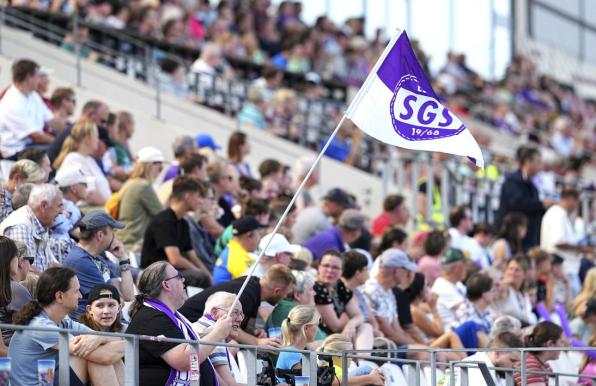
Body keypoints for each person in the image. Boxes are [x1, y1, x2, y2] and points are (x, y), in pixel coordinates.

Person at [9, 267, 125, 386]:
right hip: (42, 382)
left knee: (104, 354)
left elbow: (105, 340)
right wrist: (127, 345)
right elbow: (104, 357)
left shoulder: (63, 322)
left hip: (48, 379)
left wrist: (102, 338)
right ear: (59, 296)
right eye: (76, 291)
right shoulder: (40, 326)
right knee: (91, 356)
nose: (80, 296)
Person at [126, 261, 233, 386]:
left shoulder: (166, 315)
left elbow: (194, 352)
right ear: (166, 285)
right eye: (178, 277)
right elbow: (184, 361)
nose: (183, 280)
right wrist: (217, 334)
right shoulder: (152, 318)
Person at [180, 264, 295, 347]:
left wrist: (254, 332)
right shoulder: (246, 293)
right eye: (286, 294)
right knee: (233, 345)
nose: (285, 298)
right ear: (277, 291)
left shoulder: (255, 287)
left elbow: (246, 326)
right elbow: (228, 325)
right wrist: (257, 342)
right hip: (188, 328)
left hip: (199, 330)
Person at [141, 176, 212, 288]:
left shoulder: (183, 222)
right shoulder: (164, 221)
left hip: (172, 272)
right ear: (187, 197)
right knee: (200, 278)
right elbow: (175, 260)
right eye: (198, 196)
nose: (201, 201)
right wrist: (200, 273)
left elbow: (193, 257)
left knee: (205, 277)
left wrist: (209, 276)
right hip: (155, 275)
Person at [63, 210, 134, 317]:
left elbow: (128, 296)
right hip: (95, 328)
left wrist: (123, 258)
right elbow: (116, 301)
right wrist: (119, 298)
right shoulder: (81, 261)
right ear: (100, 235)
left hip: (110, 324)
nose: (114, 236)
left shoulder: (96, 258)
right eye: (112, 231)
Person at [314, 250, 373, 350]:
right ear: (318, 267)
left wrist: (351, 324)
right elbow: (334, 326)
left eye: (335, 267)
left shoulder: (338, 285)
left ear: (342, 271)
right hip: (320, 340)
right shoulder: (316, 288)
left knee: (365, 327)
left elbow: (359, 315)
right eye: (326, 266)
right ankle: (358, 363)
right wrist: (350, 322)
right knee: (352, 332)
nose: (330, 270)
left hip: (337, 337)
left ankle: (362, 362)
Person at [0, 59, 56, 160]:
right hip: (16, 152)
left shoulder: (33, 95)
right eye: (38, 76)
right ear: (29, 78)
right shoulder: (12, 102)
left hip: (31, 146)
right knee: (58, 150)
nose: (39, 80)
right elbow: (36, 137)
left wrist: (70, 132)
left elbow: (53, 121)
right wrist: (60, 142)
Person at [0, 183, 63, 271]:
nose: (62, 211)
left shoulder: (40, 223)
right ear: (43, 206)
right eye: (59, 206)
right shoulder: (20, 227)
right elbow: (24, 276)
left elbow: (51, 264)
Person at [496, 146, 548, 250]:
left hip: (529, 239)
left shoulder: (533, 187)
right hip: (512, 238)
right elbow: (516, 203)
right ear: (527, 162)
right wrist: (541, 204)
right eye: (538, 162)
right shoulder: (512, 181)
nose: (540, 166)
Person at [114, 146, 165, 253]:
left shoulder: (131, 182)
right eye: (160, 168)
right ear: (151, 166)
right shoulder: (143, 186)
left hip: (123, 239)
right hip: (133, 244)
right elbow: (163, 216)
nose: (160, 172)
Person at [192, 291, 247, 386]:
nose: (240, 319)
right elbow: (229, 384)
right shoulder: (213, 333)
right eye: (235, 312)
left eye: (241, 314)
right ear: (214, 312)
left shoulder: (196, 328)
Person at [53, 119, 112, 205]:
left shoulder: (89, 159)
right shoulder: (74, 159)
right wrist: (110, 204)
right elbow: (89, 193)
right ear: (88, 140)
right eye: (96, 137)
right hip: (88, 210)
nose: (98, 141)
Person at [540, 189, 587, 296]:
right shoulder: (558, 214)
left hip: (565, 268)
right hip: (562, 268)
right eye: (576, 202)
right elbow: (558, 241)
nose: (576, 206)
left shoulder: (560, 214)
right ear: (570, 200)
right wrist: (580, 248)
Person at [264, 270, 327, 343]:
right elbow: (323, 345)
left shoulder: (284, 307)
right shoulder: (298, 313)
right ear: (298, 295)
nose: (314, 293)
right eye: (311, 289)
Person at [440, 332, 523, 386]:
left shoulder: (485, 364)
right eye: (512, 361)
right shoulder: (477, 371)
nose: (516, 366)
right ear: (497, 354)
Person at [0, 236, 32, 356]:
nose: (18, 260)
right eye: (16, 255)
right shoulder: (15, 290)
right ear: (8, 259)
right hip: (13, 359)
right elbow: (36, 331)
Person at [212, 216, 267, 284]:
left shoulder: (233, 249)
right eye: (259, 234)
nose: (260, 238)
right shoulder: (237, 257)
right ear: (249, 236)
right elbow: (253, 284)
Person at [341, 250, 383, 338]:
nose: (369, 273)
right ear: (358, 273)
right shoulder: (343, 294)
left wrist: (374, 331)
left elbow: (372, 320)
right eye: (366, 269)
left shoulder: (357, 292)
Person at [51, 165, 89, 260]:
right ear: (73, 187)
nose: (87, 187)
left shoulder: (66, 205)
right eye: (84, 184)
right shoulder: (67, 207)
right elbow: (83, 235)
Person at [318, 334, 385, 386]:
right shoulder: (332, 369)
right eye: (350, 353)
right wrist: (370, 378)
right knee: (366, 369)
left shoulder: (326, 365)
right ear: (338, 356)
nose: (352, 357)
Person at [513, 321, 563, 386]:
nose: (562, 346)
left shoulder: (543, 364)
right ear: (550, 344)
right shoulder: (529, 365)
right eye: (561, 342)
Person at [276, 305, 321, 376]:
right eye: (317, 325)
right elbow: (308, 381)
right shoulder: (292, 353)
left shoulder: (293, 351)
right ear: (306, 328)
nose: (317, 330)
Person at [492, 256, 537, 326]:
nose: (512, 272)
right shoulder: (505, 288)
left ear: (524, 274)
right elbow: (492, 289)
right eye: (510, 269)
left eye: (517, 270)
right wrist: (504, 281)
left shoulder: (521, 294)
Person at [431, 248, 468, 329]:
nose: (467, 267)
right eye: (464, 264)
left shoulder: (457, 283)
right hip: (453, 332)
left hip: (462, 327)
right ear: (456, 268)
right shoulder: (442, 287)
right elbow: (468, 309)